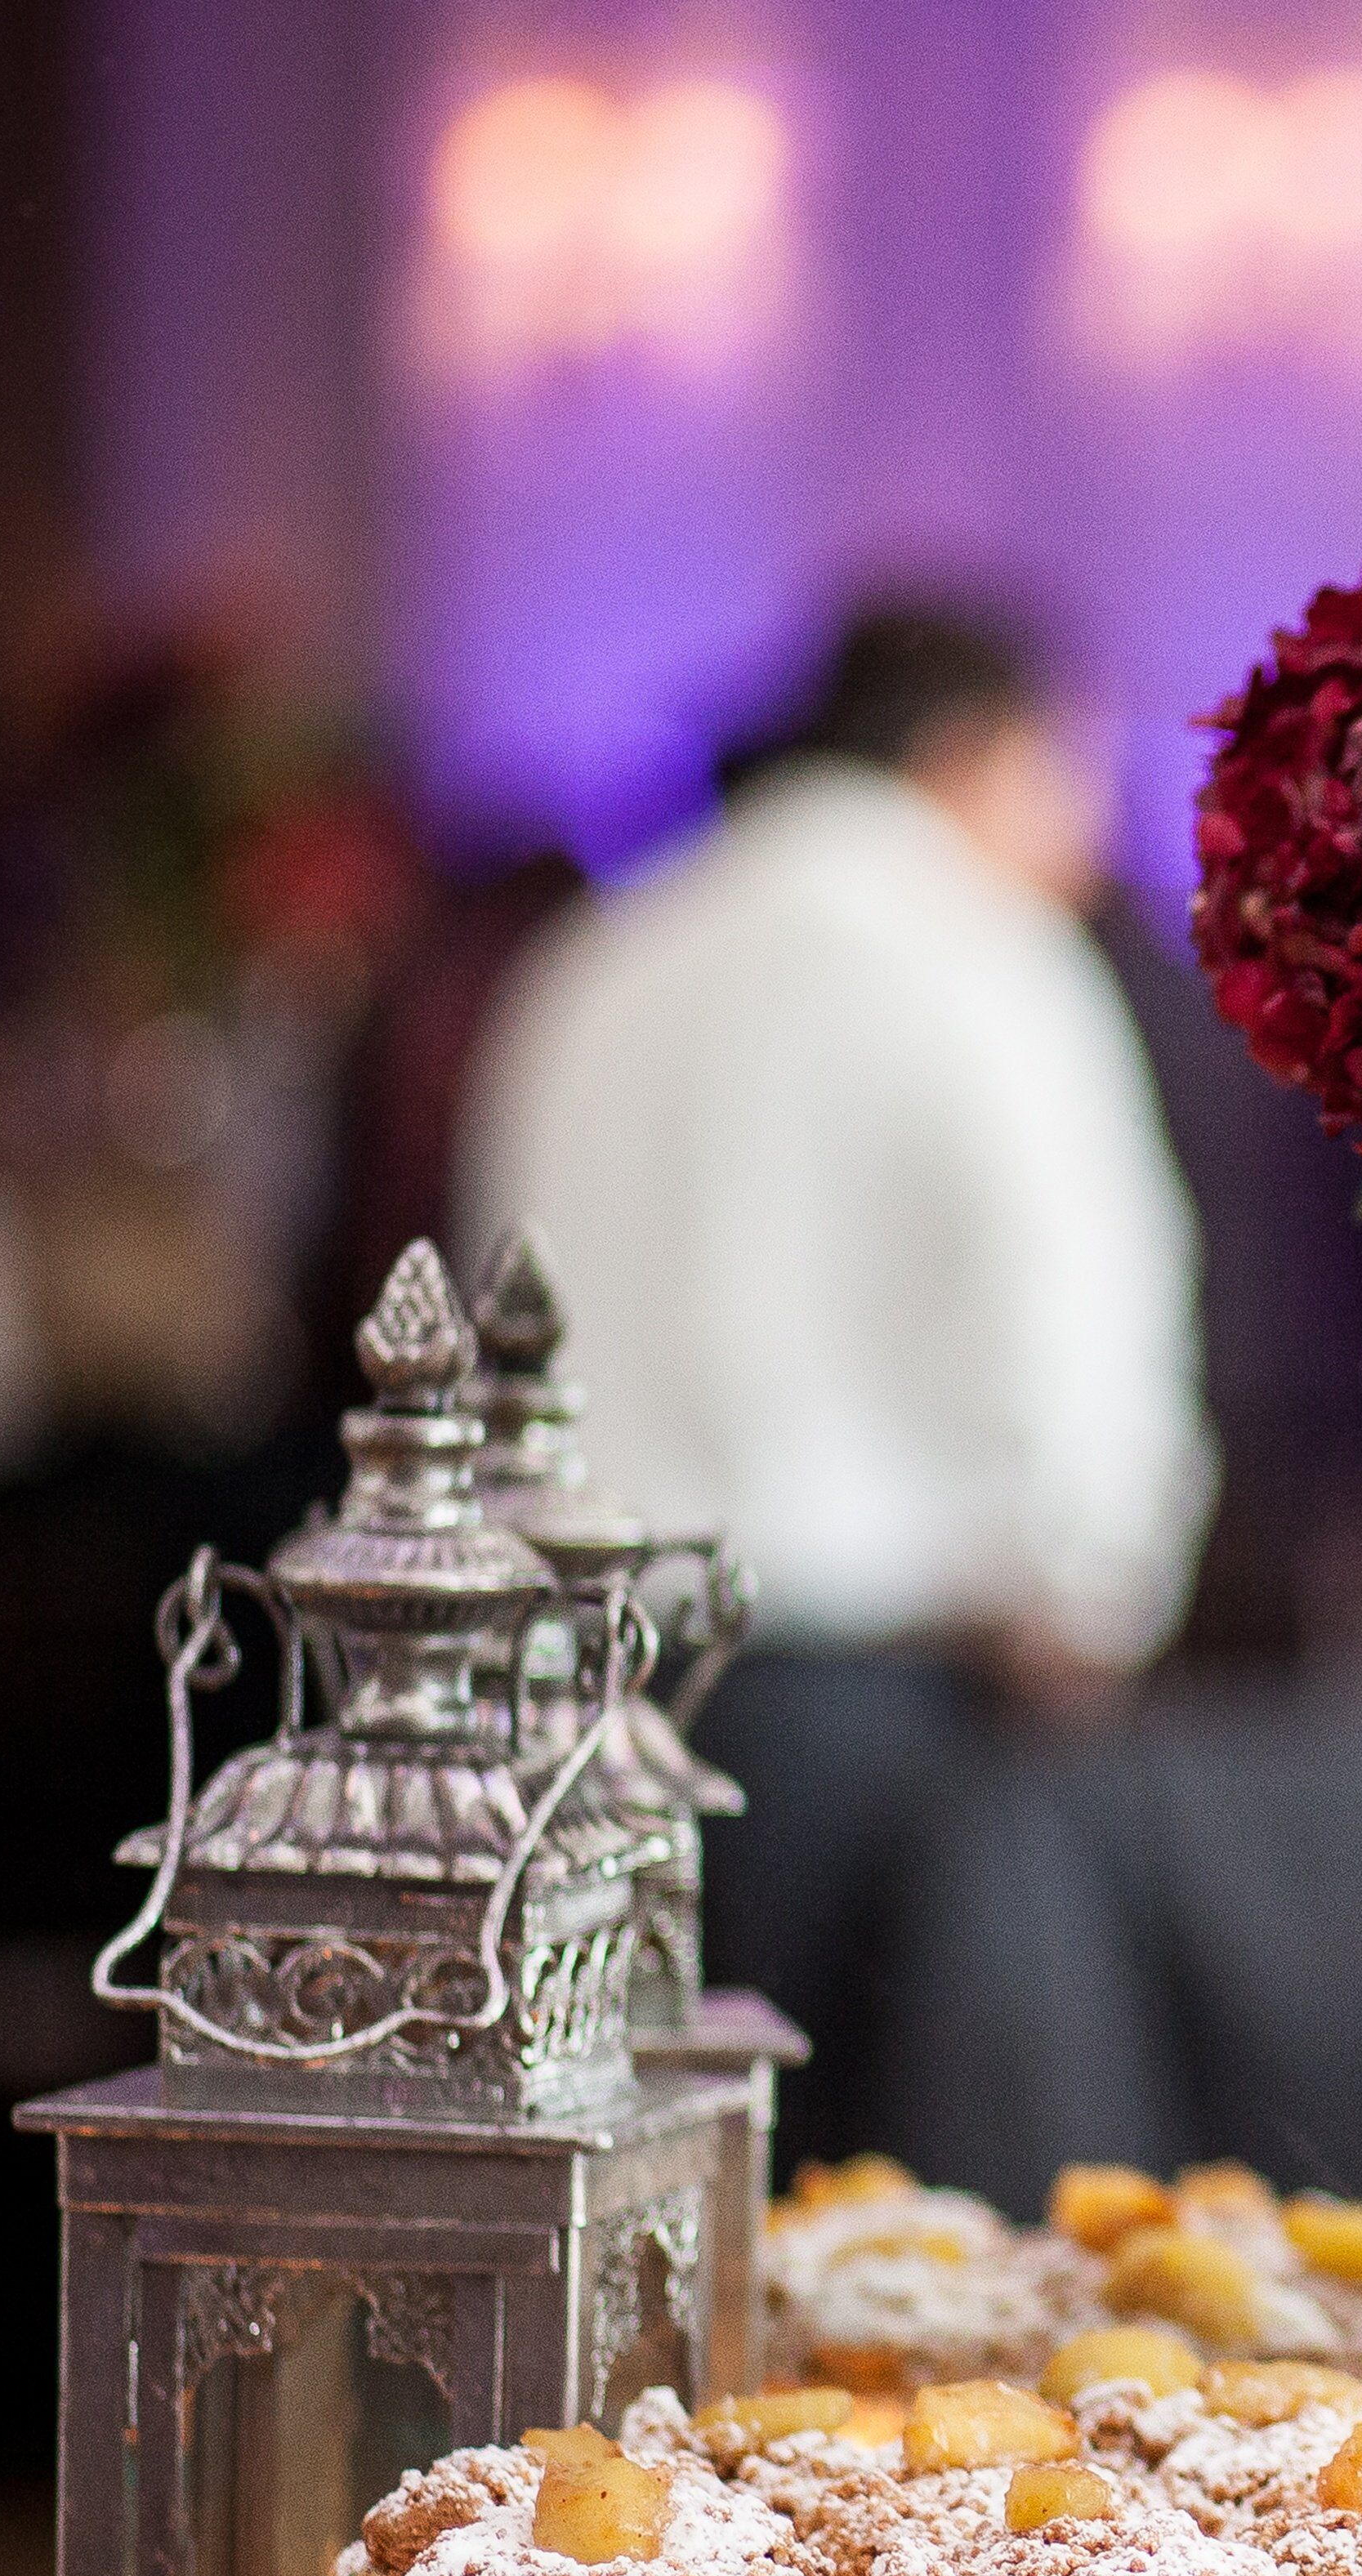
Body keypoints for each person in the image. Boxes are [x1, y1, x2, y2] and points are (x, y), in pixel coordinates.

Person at [461, 601, 1211, 2151]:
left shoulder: (605, 955)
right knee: (872, 2242)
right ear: (978, 754)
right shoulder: (978, 949)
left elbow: (496, 1314)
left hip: (585, 1698)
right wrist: (1105, 1594)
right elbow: (1080, 1304)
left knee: (635, 2208)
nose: (1085, 830)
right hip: (888, 1716)